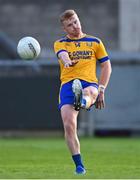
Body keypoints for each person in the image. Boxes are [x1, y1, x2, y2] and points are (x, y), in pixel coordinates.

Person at [54, 9, 112, 175]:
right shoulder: (60, 43)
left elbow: (106, 65)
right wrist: (68, 62)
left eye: (76, 21)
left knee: (89, 92)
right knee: (69, 124)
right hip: (67, 84)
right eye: (70, 25)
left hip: (89, 82)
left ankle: (82, 101)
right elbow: (63, 55)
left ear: (79, 20)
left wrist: (102, 88)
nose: (75, 26)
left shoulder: (94, 42)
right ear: (64, 29)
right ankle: (79, 165)